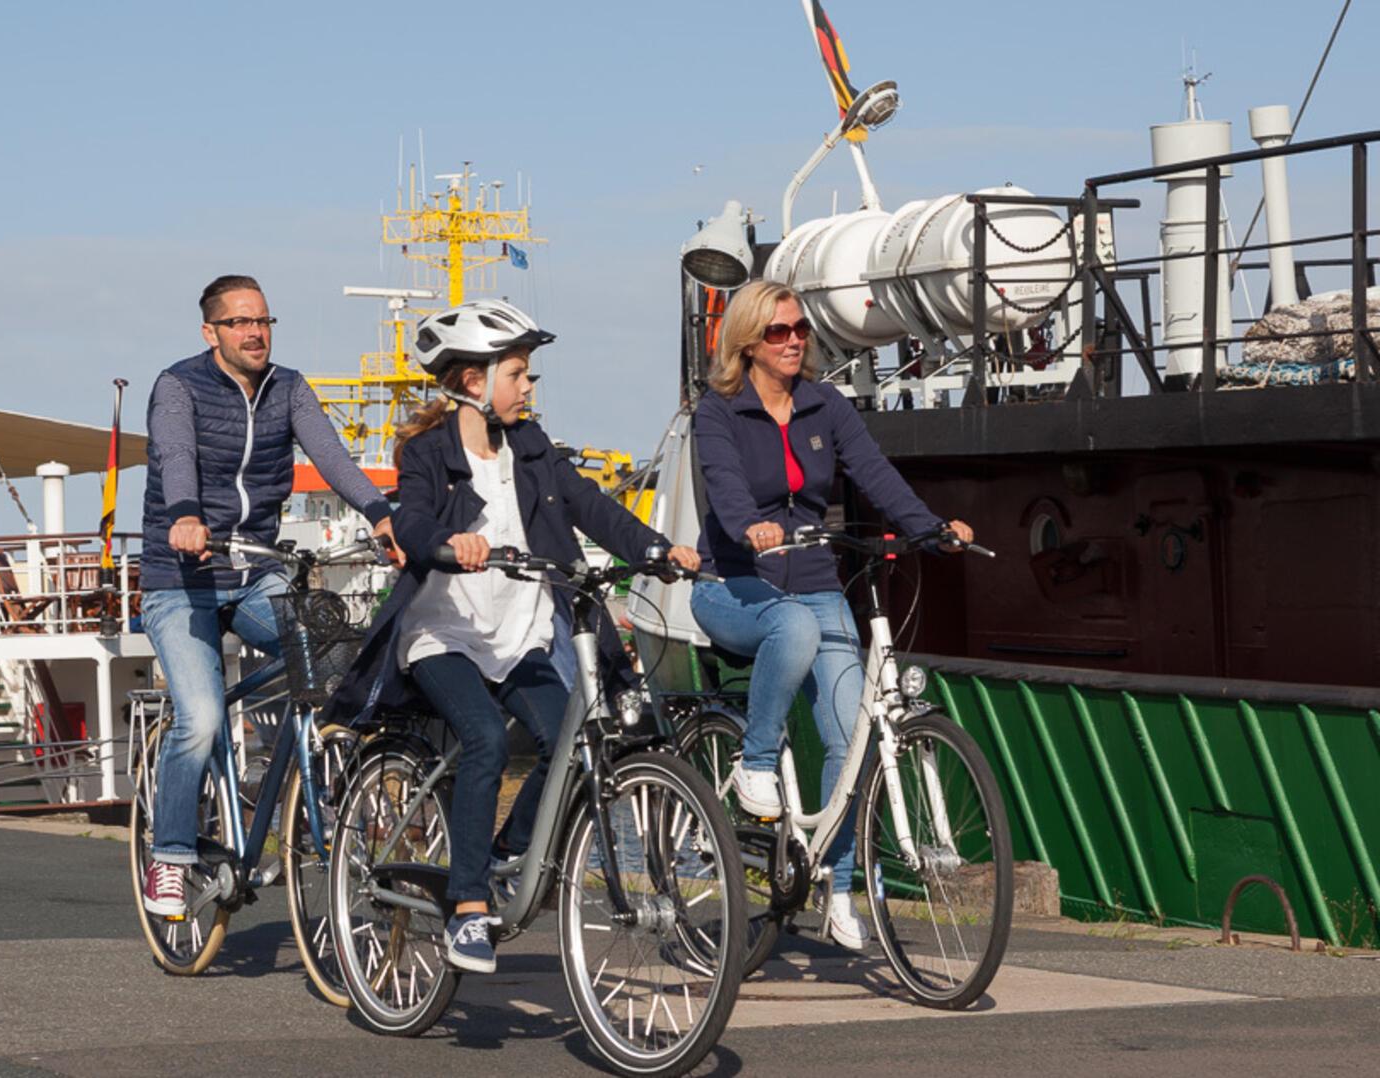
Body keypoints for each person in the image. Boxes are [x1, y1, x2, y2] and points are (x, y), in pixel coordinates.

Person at [322, 299, 699, 973]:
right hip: (444, 636)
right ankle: (468, 906)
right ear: (474, 381)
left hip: (518, 634)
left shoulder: (530, 446)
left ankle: (502, 854)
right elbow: (410, 524)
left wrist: (658, 548)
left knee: (571, 741)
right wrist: (447, 542)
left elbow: (590, 506)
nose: (530, 386)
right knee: (487, 738)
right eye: (519, 373)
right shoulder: (429, 453)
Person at [688, 280, 973, 949]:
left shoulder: (826, 406)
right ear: (748, 343)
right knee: (794, 626)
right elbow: (724, 484)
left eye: (799, 331)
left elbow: (875, 475)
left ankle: (840, 889)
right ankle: (757, 761)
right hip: (734, 583)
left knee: (851, 738)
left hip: (816, 582)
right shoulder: (719, 410)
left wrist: (930, 528)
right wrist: (749, 527)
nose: (792, 342)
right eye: (776, 332)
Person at [140, 274, 402, 917]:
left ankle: (316, 792)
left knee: (334, 656)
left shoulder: (290, 388)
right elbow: (176, 456)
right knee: (200, 720)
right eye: (239, 323)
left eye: (262, 321)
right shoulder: (179, 386)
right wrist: (184, 515)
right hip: (183, 580)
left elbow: (333, 457)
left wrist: (378, 512)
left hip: (257, 571)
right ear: (212, 332)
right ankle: (169, 856)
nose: (255, 332)